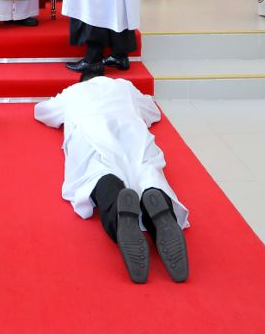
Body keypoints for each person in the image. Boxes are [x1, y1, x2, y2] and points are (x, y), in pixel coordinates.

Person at [35, 76, 189, 284]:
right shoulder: (125, 87)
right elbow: (152, 112)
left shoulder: (72, 92)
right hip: (131, 131)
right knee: (146, 171)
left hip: (92, 134)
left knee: (98, 172)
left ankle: (118, 207)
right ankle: (156, 200)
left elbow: (43, 112)